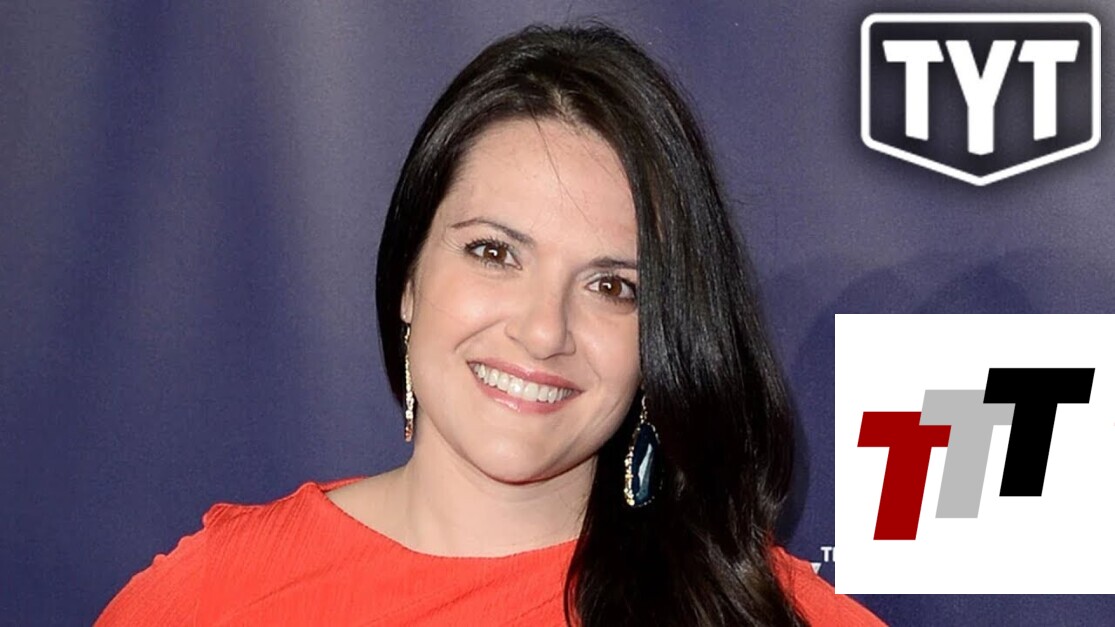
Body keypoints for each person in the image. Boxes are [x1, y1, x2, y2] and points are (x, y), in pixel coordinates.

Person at [97, 23, 883, 626]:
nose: (543, 330)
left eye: (611, 286)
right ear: (409, 276)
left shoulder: (763, 616)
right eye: (494, 252)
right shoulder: (211, 598)